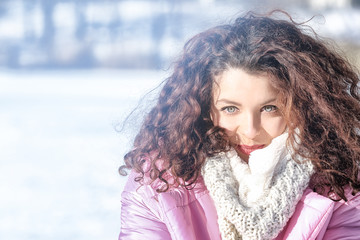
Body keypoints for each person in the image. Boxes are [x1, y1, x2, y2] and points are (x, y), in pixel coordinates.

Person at [118, 10, 360, 240]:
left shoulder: (340, 185)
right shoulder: (159, 183)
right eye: (230, 109)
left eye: (269, 108)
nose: (250, 131)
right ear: (204, 109)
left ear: (303, 106)